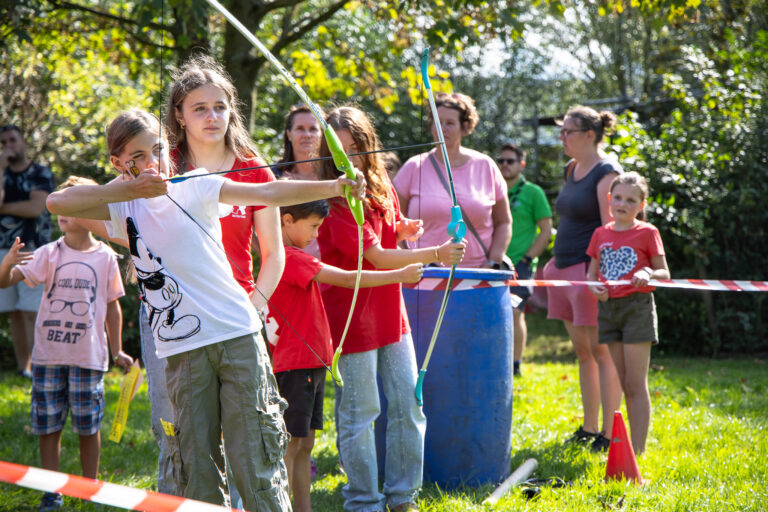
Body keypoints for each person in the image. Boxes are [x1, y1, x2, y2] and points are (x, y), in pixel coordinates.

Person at [45, 108, 365, 511]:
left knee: (255, 456)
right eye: (137, 157)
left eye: (157, 151)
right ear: (117, 164)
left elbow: (266, 193)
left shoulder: (194, 183)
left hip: (235, 334)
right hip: (181, 347)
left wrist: (335, 187)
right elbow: (58, 202)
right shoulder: (120, 202)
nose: (151, 164)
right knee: (196, 465)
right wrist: (128, 190)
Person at [316, 105, 465, 512]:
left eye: (354, 151)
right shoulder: (336, 194)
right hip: (352, 317)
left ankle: (402, 498)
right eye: (337, 153)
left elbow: (385, 230)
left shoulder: (380, 182)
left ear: (367, 148)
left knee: (407, 403)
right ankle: (363, 501)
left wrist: (402, 228)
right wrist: (436, 252)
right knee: (362, 411)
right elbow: (376, 257)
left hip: (389, 310)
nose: (347, 161)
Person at [267, 199, 424, 512]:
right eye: (312, 226)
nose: (316, 234)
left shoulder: (294, 255)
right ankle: (274, 505)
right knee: (290, 444)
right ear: (285, 221)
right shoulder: (290, 257)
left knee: (305, 444)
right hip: (294, 367)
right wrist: (399, 274)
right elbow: (349, 278)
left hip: (309, 365)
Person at [0, 176, 132, 512]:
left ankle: (90, 487)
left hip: (88, 358)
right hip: (48, 357)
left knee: (88, 426)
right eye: (60, 205)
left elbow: (113, 308)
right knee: (49, 425)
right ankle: (51, 490)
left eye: (72, 204)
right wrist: (6, 264)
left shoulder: (106, 257)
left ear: (89, 208)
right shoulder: (48, 253)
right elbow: (6, 282)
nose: (63, 212)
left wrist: (116, 349)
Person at [543, 105, 623, 452]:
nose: (562, 138)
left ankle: (608, 434)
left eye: (568, 132)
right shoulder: (571, 168)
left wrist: (599, 277)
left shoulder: (607, 173)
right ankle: (589, 428)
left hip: (588, 274)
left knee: (602, 353)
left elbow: (611, 231)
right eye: (561, 131)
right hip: (563, 271)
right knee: (584, 353)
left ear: (590, 135)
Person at [586, 172, 669, 455]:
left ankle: (638, 452)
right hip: (608, 310)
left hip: (637, 309)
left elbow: (664, 272)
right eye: (618, 197)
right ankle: (627, 450)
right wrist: (594, 287)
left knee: (635, 384)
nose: (622, 204)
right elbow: (592, 273)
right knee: (623, 383)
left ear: (642, 204)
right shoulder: (600, 234)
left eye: (631, 200)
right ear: (609, 200)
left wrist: (648, 272)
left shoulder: (648, 232)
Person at [394, 92, 511, 269]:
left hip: (478, 276)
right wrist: (405, 260)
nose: (442, 128)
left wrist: (494, 261)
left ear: (465, 128)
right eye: (437, 122)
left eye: (449, 123)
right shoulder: (413, 167)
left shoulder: (486, 166)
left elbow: (504, 222)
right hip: (422, 277)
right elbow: (392, 221)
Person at [0, 124, 55, 378]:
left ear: (24, 142)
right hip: (3, 249)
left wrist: (4, 208)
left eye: (12, 139)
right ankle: (24, 368)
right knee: (14, 312)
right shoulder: (2, 174)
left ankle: (39, 365)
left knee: (32, 310)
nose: (8, 145)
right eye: (3, 142)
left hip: (34, 248)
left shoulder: (40, 172)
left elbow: (36, 208)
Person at [498, 143, 552, 377]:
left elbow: (546, 230)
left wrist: (528, 258)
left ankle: (515, 364)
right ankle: (498, 361)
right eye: (501, 161)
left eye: (510, 161)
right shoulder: (493, 189)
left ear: (522, 164)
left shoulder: (533, 192)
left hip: (520, 263)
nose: (505, 165)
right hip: (494, 262)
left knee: (515, 312)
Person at [274, 104, 324, 180]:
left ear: (322, 134)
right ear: (289, 135)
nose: (307, 135)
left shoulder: (337, 174)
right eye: (300, 129)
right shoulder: (272, 174)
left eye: (313, 129)